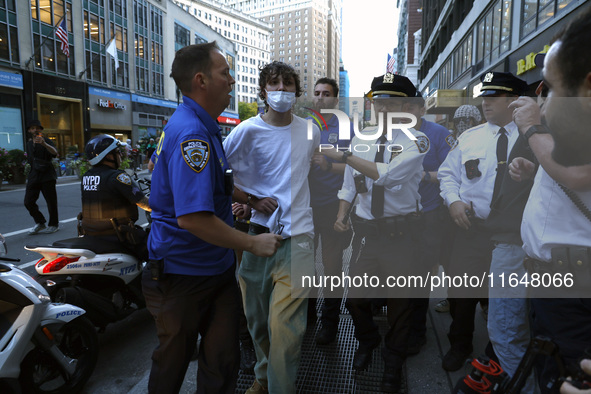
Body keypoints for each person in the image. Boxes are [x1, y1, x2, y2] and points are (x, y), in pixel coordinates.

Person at [141, 42, 281, 394]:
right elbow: (194, 219)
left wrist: (251, 199)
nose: (232, 81)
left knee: (221, 360)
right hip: (183, 273)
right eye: (225, 73)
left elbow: (214, 184)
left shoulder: (200, 124)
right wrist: (252, 242)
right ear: (201, 80)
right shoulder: (192, 134)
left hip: (215, 269)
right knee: (172, 364)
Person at [318, 73, 429, 393]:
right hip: (369, 238)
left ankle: (393, 363)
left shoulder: (416, 140)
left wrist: (346, 156)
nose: (383, 108)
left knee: (401, 308)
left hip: (402, 238)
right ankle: (367, 342)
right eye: (378, 101)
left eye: (392, 102)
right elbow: (349, 186)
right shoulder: (362, 138)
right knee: (355, 300)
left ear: (406, 107)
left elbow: (388, 177)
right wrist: (341, 215)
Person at [223, 61, 320, 394]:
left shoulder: (310, 130)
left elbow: (310, 167)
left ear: (296, 90)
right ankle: (264, 378)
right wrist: (249, 199)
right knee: (259, 322)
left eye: (288, 84)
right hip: (257, 237)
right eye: (275, 84)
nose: (282, 91)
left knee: (287, 328)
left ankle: (280, 388)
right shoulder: (246, 130)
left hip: (300, 238)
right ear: (263, 91)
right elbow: (219, 175)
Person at [509, 7, 591, 391]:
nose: (543, 100)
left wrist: (531, 128)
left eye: (551, 87)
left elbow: (578, 173)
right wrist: (536, 170)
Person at [437, 71, 527, 372]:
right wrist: (454, 202)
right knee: (462, 294)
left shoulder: (532, 138)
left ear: (514, 100)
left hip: (515, 235)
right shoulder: (470, 137)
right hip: (471, 229)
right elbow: (448, 175)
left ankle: (495, 352)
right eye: (484, 96)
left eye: (494, 96)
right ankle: (459, 344)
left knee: (502, 298)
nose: (486, 102)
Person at [403, 91, 456, 355]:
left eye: (411, 106)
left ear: (422, 110)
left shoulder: (438, 134)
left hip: (429, 214)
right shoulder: (391, 133)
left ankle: (417, 331)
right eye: (402, 106)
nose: (406, 110)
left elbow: (451, 173)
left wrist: (422, 174)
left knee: (421, 274)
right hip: (398, 216)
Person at [308, 77, 352, 345]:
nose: (320, 97)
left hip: (334, 206)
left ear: (336, 99)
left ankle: (330, 321)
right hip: (304, 207)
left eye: (326, 93)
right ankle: (308, 314)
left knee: (332, 266)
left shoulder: (348, 128)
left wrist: (328, 166)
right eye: (316, 93)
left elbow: (358, 167)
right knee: (303, 264)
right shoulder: (303, 127)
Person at [80, 134, 151, 259]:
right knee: (158, 247)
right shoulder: (117, 177)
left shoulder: (87, 176)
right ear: (108, 156)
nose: (120, 155)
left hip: (90, 234)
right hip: (118, 236)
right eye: (118, 152)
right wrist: (166, 207)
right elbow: (144, 203)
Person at [24, 119, 60, 235]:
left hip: (47, 175)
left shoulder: (47, 141)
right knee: (28, 201)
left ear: (40, 130)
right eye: (33, 128)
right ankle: (40, 222)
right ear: (29, 130)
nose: (35, 130)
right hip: (34, 175)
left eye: (37, 128)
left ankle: (54, 224)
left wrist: (44, 144)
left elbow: (55, 153)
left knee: (51, 201)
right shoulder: (29, 144)